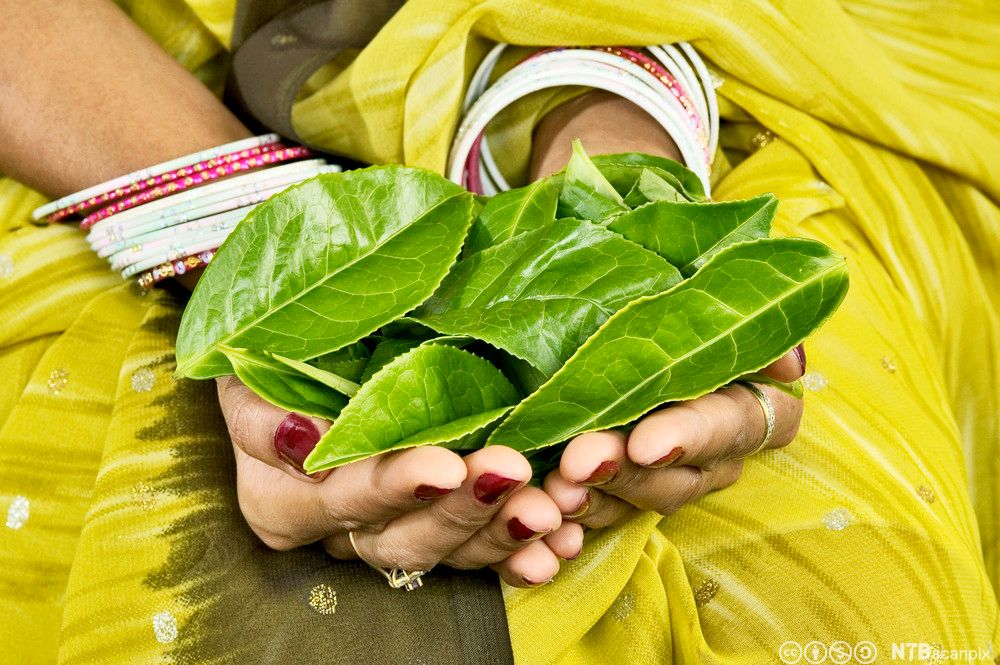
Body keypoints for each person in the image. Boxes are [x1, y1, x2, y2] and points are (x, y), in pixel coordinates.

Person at [0, 0, 997, 663]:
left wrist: (614, 157)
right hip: (105, 104)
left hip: (767, 72)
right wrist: (247, 237)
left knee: (851, 602)